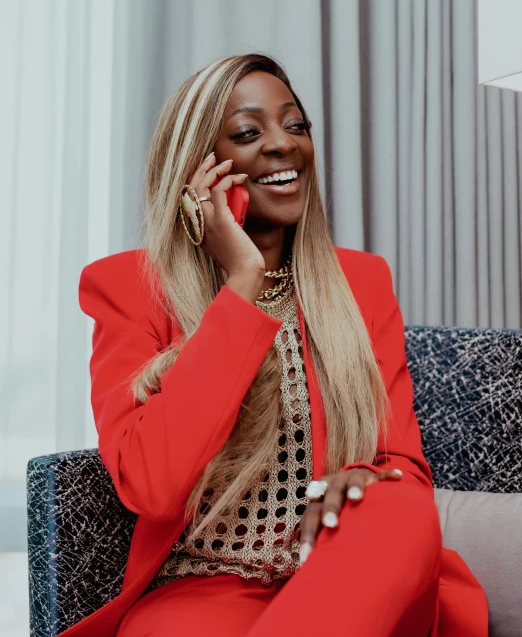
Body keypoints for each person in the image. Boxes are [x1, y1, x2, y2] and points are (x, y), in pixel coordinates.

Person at [63, 53, 488, 637]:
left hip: (355, 576)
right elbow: (151, 486)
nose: (283, 144)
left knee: (397, 509)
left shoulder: (361, 282)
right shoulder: (130, 290)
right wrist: (241, 283)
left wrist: (363, 478)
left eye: (296, 125)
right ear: (197, 170)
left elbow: (405, 469)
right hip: (208, 594)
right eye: (247, 132)